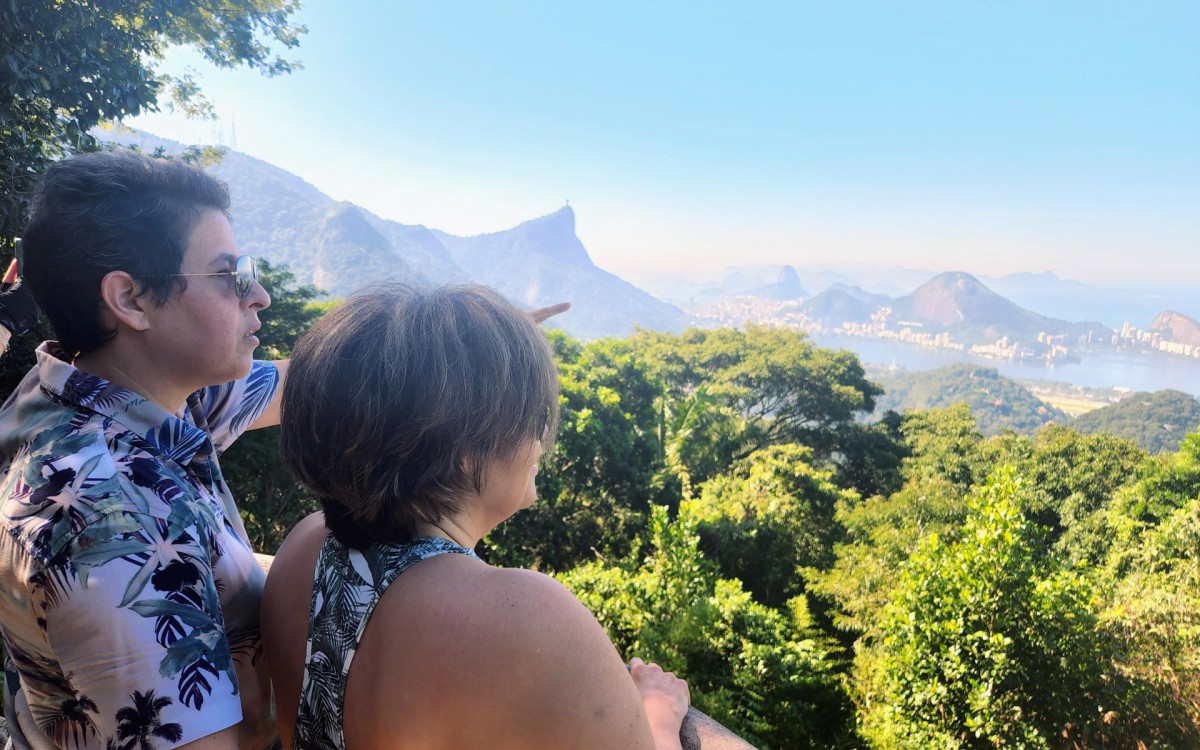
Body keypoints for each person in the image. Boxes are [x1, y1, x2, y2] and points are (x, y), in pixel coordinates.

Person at [261, 284, 690, 750]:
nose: (541, 435)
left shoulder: (305, 548)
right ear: (464, 452)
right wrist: (660, 716)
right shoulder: (526, 618)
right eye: (532, 415)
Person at [0, 150, 285, 750]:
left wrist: (480, 345)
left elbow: (326, 384)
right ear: (130, 300)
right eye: (230, 274)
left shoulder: (109, 393)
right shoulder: (107, 517)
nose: (257, 295)